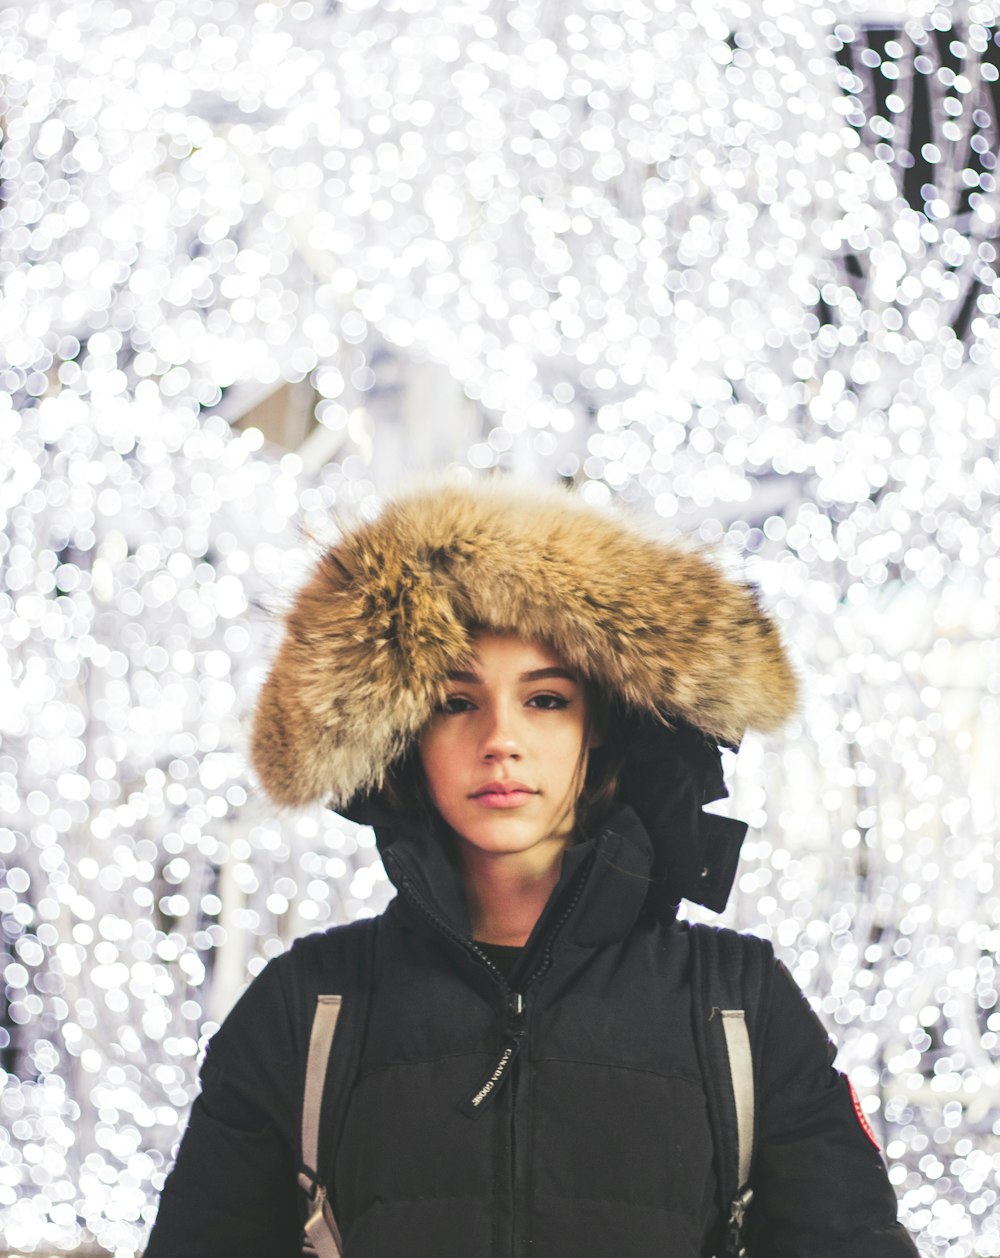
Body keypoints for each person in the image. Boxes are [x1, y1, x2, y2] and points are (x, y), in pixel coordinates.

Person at [144, 476, 918, 1258]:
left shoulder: (737, 1006)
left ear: (601, 728)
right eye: (456, 702)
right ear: (405, 736)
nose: (500, 740)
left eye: (546, 699)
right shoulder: (308, 1007)